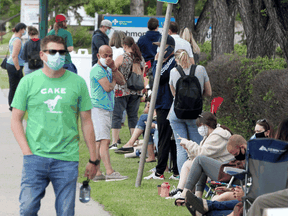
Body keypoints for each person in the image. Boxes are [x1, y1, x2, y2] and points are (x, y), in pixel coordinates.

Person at [10, 35, 99, 215]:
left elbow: (87, 122)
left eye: (61, 52)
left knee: (65, 212)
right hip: (35, 157)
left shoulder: (78, 83)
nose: (57, 55)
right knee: (27, 209)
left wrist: (93, 158)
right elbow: (15, 119)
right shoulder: (28, 81)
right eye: (52, 51)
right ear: (42, 55)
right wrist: (27, 152)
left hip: (67, 159)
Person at [170, 112, 235, 198]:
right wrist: (188, 149)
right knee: (190, 163)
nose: (199, 129)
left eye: (200, 126)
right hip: (219, 167)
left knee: (198, 162)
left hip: (225, 170)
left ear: (206, 125)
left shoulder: (218, 136)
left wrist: (188, 143)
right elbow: (199, 156)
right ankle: (184, 191)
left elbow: (202, 153)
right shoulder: (209, 136)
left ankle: (184, 192)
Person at [169, 49, 212, 173]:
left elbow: (174, 95)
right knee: (197, 146)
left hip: (177, 113)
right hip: (195, 113)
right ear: (189, 57)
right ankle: (196, 177)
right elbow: (209, 92)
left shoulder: (174, 71)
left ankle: (183, 179)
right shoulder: (200, 69)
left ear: (176, 60)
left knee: (181, 147)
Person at [144, 35, 179, 180]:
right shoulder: (166, 62)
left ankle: (160, 172)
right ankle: (174, 170)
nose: (158, 49)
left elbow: (158, 77)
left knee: (165, 138)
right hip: (162, 103)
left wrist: (157, 61)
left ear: (169, 48)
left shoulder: (171, 62)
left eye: (162, 46)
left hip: (167, 105)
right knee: (169, 139)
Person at [90, 45, 128, 181]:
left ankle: (97, 172)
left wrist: (114, 69)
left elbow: (122, 81)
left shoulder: (108, 69)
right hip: (99, 108)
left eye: (110, 55)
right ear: (98, 56)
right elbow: (108, 87)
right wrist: (113, 82)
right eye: (105, 55)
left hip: (106, 107)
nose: (108, 58)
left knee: (100, 142)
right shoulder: (97, 70)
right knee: (105, 140)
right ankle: (109, 172)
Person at [111, 36, 145, 153]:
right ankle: (133, 141)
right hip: (136, 91)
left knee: (117, 115)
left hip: (122, 90)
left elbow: (113, 71)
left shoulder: (121, 57)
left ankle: (114, 142)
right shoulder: (141, 58)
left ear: (124, 46)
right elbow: (142, 75)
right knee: (133, 116)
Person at [6, 22, 27, 111]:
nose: (25, 31)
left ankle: (12, 105)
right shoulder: (17, 40)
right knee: (15, 86)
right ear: (21, 29)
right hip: (15, 65)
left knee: (13, 86)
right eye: (24, 29)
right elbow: (15, 56)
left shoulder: (13, 37)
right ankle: (12, 105)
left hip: (11, 64)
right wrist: (18, 70)